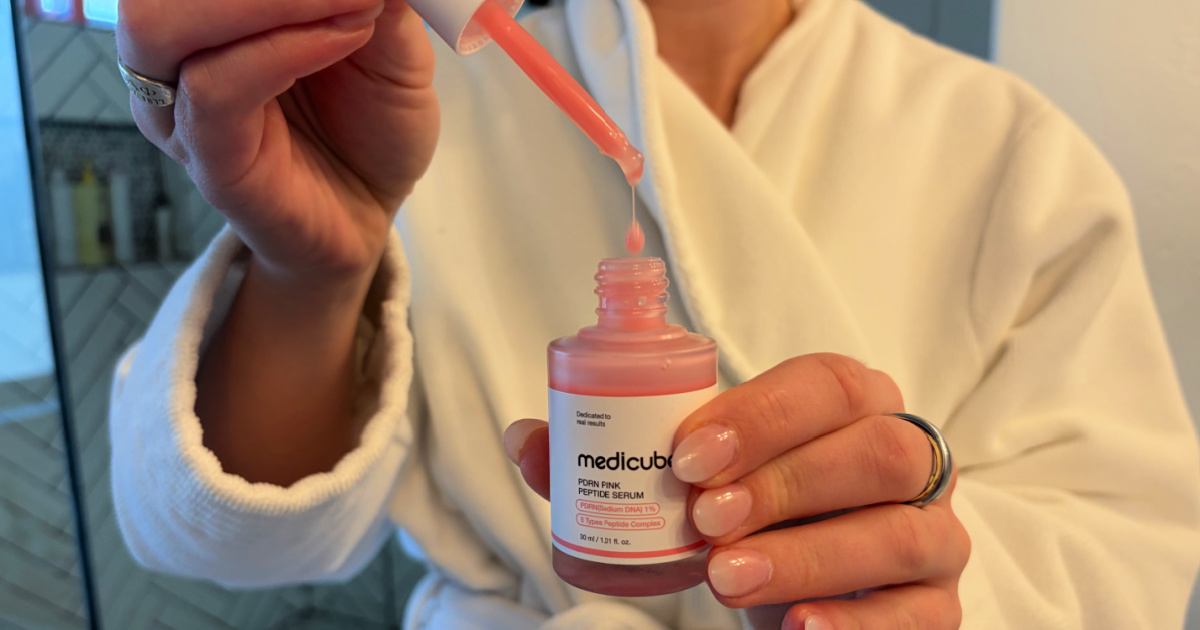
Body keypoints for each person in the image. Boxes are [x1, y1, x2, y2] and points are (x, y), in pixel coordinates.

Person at [107, 0, 1200, 627]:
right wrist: (311, 269)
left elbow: (1131, 544)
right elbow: (219, 539)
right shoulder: (408, 109)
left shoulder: (1004, 142)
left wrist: (929, 573)